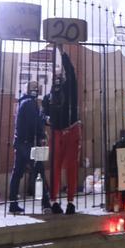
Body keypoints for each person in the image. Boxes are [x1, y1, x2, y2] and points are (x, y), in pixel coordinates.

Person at [43, 48, 80, 214]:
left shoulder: (70, 88)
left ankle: (71, 202)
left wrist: (62, 52)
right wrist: (46, 118)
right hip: (56, 132)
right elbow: (44, 113)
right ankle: (54, 201)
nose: (57, 78)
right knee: (55, 167)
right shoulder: (48, 97)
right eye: (55, 77)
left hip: (72, 129)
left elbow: (71, 72)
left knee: (71, 167)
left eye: (60, 76)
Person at [7, 80, 49, 213]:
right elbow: (34, 124)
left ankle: (13, 203)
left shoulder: (23, 102)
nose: (37, 90)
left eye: (37, 87)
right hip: (30, 144)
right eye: (35, 88)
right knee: (39, 172)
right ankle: (45, 203)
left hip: (20, 143)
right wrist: (43, 134)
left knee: (17, 173)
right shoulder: (30, 103)